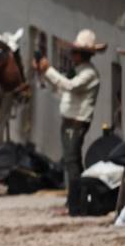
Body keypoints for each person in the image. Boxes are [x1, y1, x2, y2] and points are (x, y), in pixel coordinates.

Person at [35, 29, 105, 210]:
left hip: (76, 123)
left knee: (72, 161)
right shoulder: (78, 71)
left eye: (75, 52)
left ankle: (76, 200)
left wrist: (49, 70)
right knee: (69, 161)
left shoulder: (89, 73)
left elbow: (69, 86)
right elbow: (62, 89)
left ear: (82, 54)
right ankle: (73, 198)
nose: (72, 56)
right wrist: (46, 74)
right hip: (69, 121)